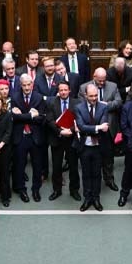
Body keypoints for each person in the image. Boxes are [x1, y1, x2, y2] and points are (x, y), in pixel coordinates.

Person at [10, 74, 47, 203]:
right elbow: (14, 118)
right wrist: (31, 116)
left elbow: (41, 118)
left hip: (35, 136)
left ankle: (36, 189)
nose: (26, 88)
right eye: (24, 85)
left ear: (32, 84)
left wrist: (22, 116)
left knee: (37, 165)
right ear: (20, 85)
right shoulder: (15, 97)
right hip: (20, 136)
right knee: (19, 165)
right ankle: (21, 189)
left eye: (28, 85)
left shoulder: (39, 97)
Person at [75, 82, 110, 212]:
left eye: (96, 95)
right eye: (91, 96)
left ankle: (96, 198)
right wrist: (97, 127)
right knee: (86, 173)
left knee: (96, 173)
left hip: (98, 146)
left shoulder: (104, 107)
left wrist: (91, 128)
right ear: (85, 95)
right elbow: (81, 126)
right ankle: (87, 198)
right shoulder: (78, 108)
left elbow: (104, 125)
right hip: (84, 146)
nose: (94, 98)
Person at [46, 82, 80, 202]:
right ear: (58, 91)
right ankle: (57, 190)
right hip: (57, 138)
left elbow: (79, 119)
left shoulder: (77, 103)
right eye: (61, 90)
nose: (63, 92)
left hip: (72, 139)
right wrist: (61, 131)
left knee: (73, 166)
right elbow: (49, 120)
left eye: (65, 90)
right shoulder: (51, 103)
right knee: (56, 167)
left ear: (69, 90)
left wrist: (70, 130)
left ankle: (74, 190)